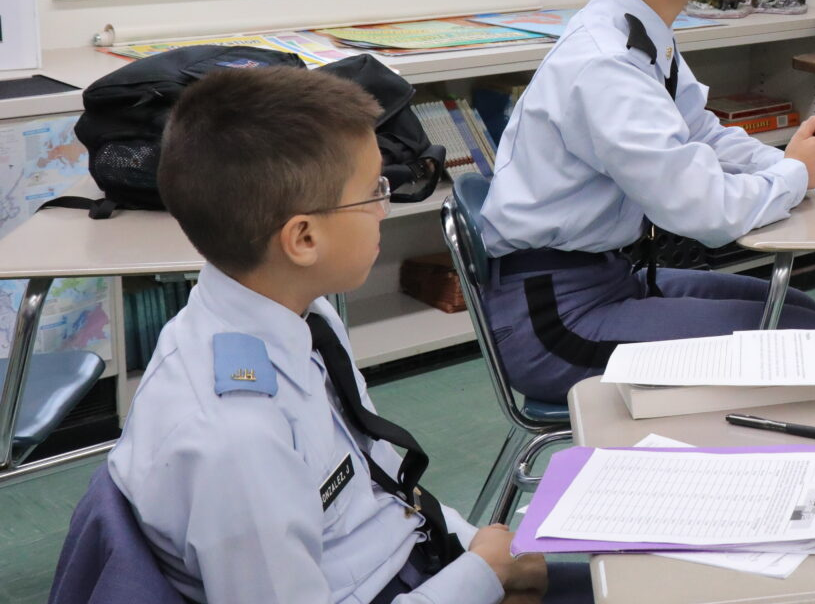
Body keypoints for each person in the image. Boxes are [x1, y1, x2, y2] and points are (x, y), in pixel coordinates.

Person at [107, 67, 586, 603]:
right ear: (304, 238)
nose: (385, 208)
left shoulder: (301, 317)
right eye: (373, 192)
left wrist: (483, 551)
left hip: (419, 563)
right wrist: (483, 575)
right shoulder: (237, 441)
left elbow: (381, 490)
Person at [479, 0, 815, 404]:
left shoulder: (640, 30)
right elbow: (705, 213)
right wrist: (796, 173)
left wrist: (786, 160)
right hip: (556, 321)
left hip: (611, 278)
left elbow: (699, 134)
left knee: (799, 309)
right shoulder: (606, 63)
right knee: (799, 339)